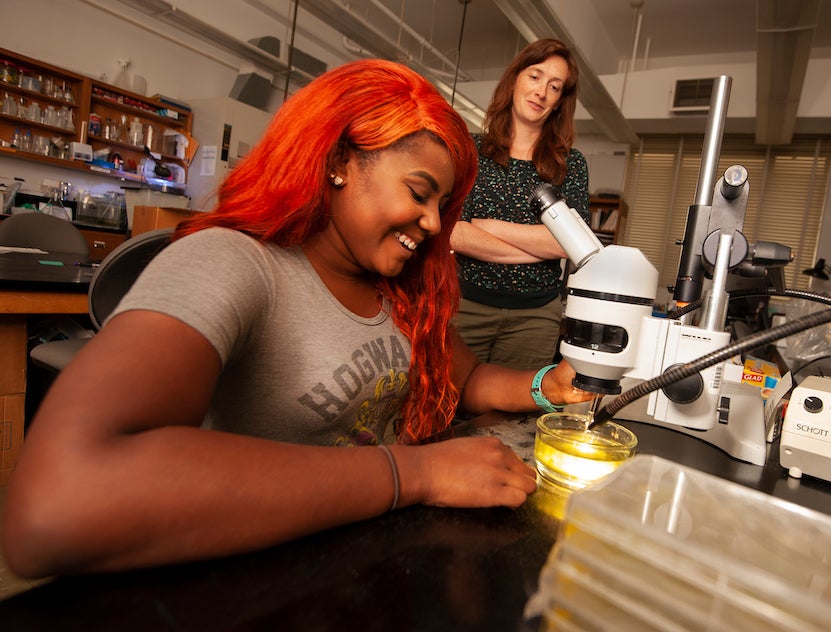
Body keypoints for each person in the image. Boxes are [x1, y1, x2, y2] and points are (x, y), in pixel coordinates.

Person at [2, 59, 591, 579]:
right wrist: (415, 475)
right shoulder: (233, 265)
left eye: (443, 205)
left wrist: (549, 386)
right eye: (419, 192)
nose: (435, 223)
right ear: (338, 162)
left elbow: (465, 378)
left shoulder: (397, 289)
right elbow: (58, 503)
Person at [451, 38, 590, 371]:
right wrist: (546, 243)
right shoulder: (471, 150)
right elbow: (455, 233)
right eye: (535, 76)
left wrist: (488, 226)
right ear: (515, 79)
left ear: (559, 102)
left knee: (514, 418)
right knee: (445, 408)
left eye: (554, 86)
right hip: (466, 308)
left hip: (535, 317)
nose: (542, 91)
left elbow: (575, 245)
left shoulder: (570, 164)